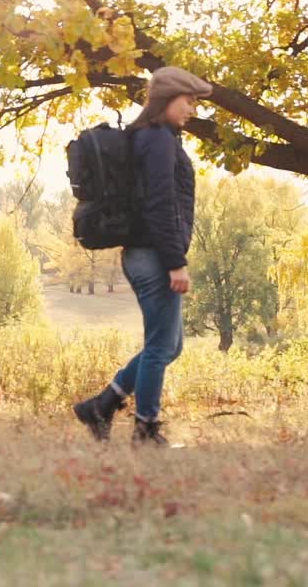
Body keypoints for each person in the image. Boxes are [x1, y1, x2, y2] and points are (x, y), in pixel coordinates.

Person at [72, 66, 212, 446]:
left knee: (170, 346)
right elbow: (160, 205)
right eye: (188, 102)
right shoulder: (158, 140)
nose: (192, 111)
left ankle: (101, 406)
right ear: (167, 99)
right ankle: (145, 430)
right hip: (153, 255)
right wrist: (175, 262)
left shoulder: (152, 137)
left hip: (146, 253)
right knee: (159, 349)